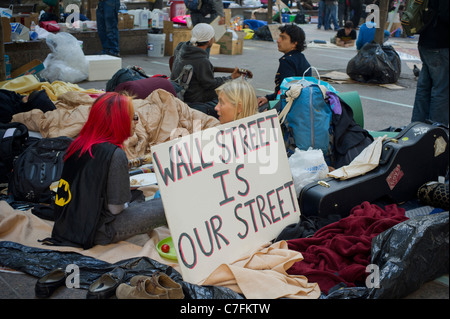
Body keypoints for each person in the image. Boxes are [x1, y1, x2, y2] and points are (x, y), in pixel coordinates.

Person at [49, 92, 167, 248]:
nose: (136, 122)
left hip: (70, 223)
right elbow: (116, 209)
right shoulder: (115, 155)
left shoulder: (78, 144)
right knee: (166, 205)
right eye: (134, 117)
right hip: (98, 230)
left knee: (139, 196)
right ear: (120, 121)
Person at [170, 23, 244, 117]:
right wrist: (231, 77)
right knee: (232, 102)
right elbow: (211, 84)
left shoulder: (180, 47)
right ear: (209, 40)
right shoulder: (202, 61)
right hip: (194, 101)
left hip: (178, 93)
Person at [411, 0, 449, 126]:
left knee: (424, 88)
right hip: (441, 42)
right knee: (441, 90)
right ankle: (437, 133)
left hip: (426, 41)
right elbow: (445, 14)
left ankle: (416, 128)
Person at [257, 24, 312, 109]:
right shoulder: (301, 58)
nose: (278, 41)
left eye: (283, 38)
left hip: (288, 109)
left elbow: (285, 93)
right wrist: (267, 98)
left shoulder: (287, 61)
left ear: (294, 43)